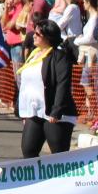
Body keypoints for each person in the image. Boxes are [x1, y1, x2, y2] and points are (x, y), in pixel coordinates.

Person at [18, 20, 78, 156]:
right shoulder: (33, 54)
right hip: (34, 112)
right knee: (28, 150)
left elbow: (63, 84)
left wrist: (56, 111)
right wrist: (22, 110)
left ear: (47, 36)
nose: (33, 35)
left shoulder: (59, 56)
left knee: (59, 154)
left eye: (37, 34)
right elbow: (25, 83)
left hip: (53, 113)